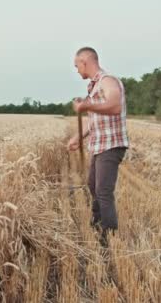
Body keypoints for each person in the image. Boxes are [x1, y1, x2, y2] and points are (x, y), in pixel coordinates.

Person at [67, 46, 130, 246]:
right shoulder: (93, 87)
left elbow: (115, 106)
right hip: (99, 144)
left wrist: (87, 106)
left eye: (77, 66)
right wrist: (78, 136)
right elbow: (94, 120)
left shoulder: (108, 81)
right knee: (93, 186)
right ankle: (96, 224)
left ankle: (108, 236)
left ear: (85, 62)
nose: (77, 70)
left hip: (111, 145)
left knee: (103, 191)